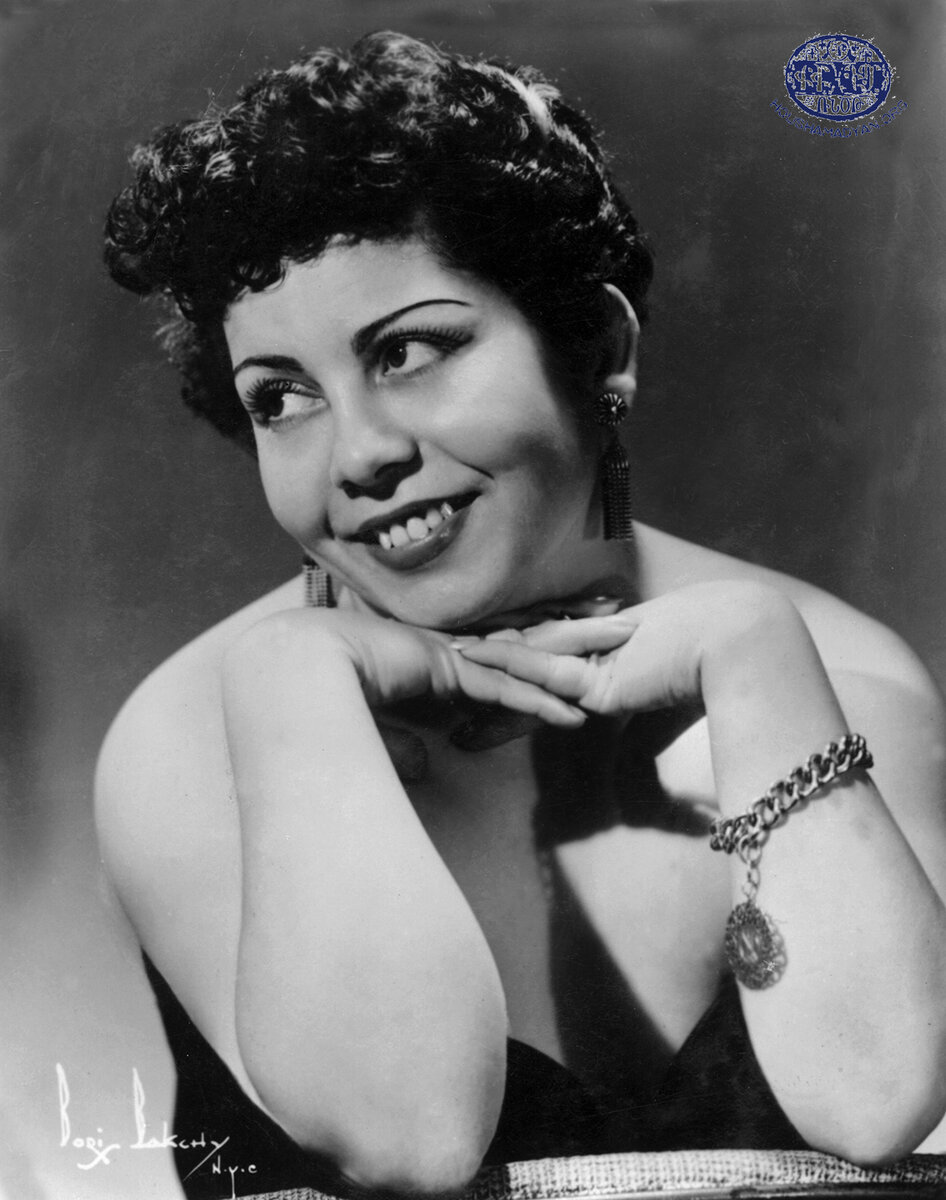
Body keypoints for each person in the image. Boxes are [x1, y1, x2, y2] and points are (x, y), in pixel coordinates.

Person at [96, 30, 946, 1200]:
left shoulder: (843, 677)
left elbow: (877, 1100)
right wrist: (295, 688)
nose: (358, 455)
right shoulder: (189, 733)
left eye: (409, 351)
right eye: (280, 399)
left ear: (598, 345)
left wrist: (754, 659)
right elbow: (409, 1138)